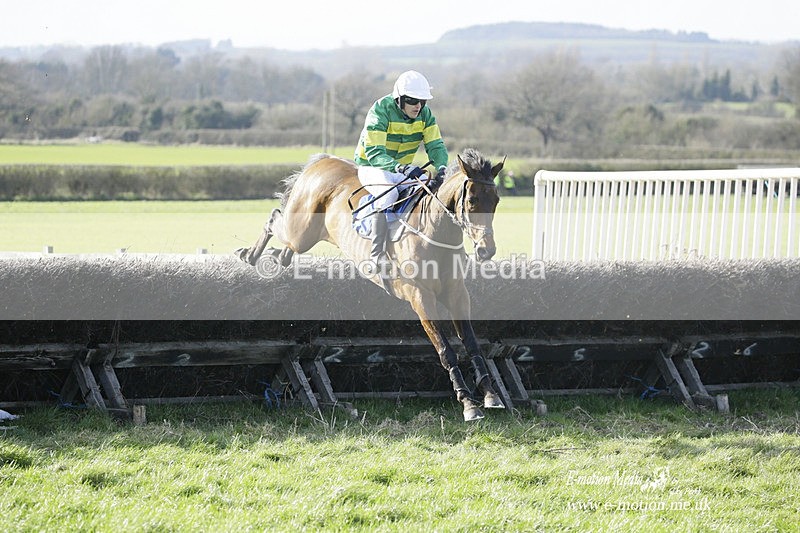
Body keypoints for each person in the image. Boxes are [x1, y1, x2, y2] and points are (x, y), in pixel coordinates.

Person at [354, 70, 449, 270]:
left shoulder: (425, 114)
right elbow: (374, 152)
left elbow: (436, 146)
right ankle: (377, 254)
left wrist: (441, 169)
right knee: (389, 195)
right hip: (372, 166)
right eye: (413, 101)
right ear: (399, 99)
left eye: (422, 101)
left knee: (428, 192)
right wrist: (401, 167)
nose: (418, 106)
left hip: (402, 170)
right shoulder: (380, 110)